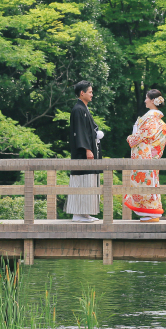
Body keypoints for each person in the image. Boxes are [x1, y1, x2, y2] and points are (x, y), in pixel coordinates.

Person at [124, 89, 166, 222]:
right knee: (151, 182)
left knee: (145, 182)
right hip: (152, 155)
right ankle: (152, 212)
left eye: (146, 98)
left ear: (152, 101)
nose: (144, 100)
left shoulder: (150, 118)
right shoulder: (158, 120)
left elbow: (140, 135)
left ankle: (151, 213)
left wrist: (130, 138)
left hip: (145, 155)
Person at [66, 80, 104, 223]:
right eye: (90, 92)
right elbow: (80, 132)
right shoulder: (78, 109)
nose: (92, 94)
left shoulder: (83, 109)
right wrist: (87, 149)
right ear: (82, 93)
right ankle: (78, 213)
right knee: (82, 180)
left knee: (88, 181)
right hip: (82, 153)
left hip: (88, 151)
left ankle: (85, 213)